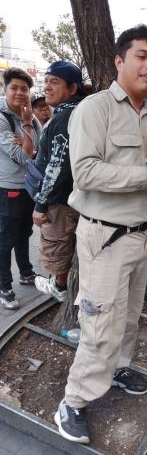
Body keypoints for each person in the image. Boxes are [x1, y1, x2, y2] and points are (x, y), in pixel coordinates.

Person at [54, 25, 147, 444]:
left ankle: (117, 369)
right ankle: (73, 402)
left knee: (130, 315)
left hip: (142, 234)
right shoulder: (94, 110)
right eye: (142, 56)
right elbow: (88, 173)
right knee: (100, 323)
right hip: (104, 239)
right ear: (119, 60)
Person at [32, 61, 86, 302]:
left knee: (56, 247)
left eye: (54, 82)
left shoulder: (65, 117)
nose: (47, 87)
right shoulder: (76, 111)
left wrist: (41, 205)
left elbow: (57, 166)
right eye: (45, 81)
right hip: (72, 199)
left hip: (60, 203)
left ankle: (60, 288)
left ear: (72, 88)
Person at [0, 68, 40, 310]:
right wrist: (26, 130)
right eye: (14, 88)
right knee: (5, 239)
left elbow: (39, 148)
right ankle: (4, 286)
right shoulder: (3, 117)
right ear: (5, 88)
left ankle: (26, 272)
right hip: (7, 188)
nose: (20, 93)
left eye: (24, 89)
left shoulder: (30, 116)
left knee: (24, 232)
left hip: (28, 186)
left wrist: (27, 137)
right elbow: (22, 155)